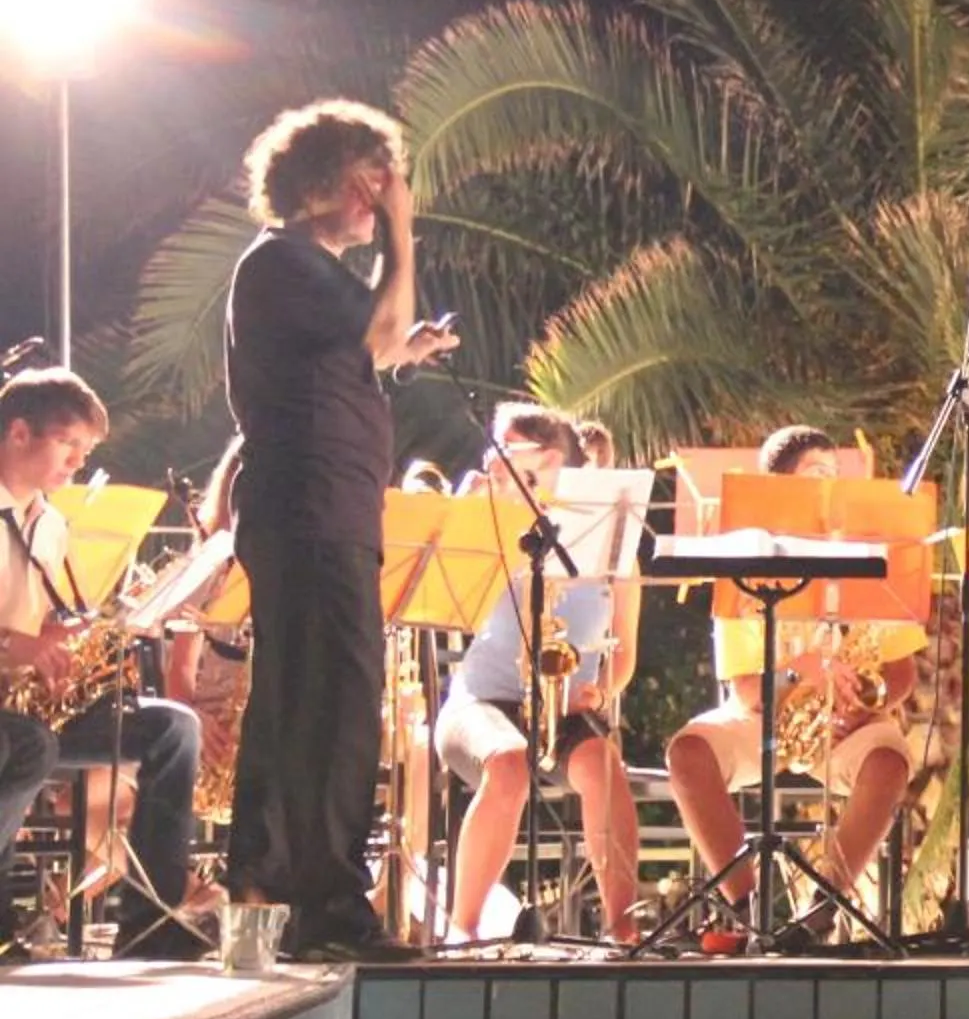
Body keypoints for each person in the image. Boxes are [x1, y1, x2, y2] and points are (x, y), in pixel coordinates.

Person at [221, 99, 460, 962]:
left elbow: (370, 344)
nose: (377, 197)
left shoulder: (299, 271)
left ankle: (272, 898)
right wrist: (402, 231)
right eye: (369, 182)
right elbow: (376, 327)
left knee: (305, 702)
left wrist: (403, 348)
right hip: (313, 509)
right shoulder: (285, 260)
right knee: (334, 708)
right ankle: (326, 911)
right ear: (324, 181)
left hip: (323, 509)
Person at [664, 425, 919, 941]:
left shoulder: (871, 556)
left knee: (889, 761)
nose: (827, 486)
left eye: (833, 474)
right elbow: (746, 691)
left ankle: (822, 908)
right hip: (764, 715)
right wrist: (801, 668)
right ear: (776, 488)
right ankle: (746, 906)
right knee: (687, 753)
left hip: (843, 725)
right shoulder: (739, 563)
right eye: (814, 475)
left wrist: (863, 709)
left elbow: (902, 675)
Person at [0, 370, 198, 959]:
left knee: (173, 729)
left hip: (28, 706)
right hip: (16, 723)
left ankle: (150, 924)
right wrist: (16, 645)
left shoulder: (51, 524)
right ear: (18, 433)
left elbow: (44, 622)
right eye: (68, 444)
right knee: (28, 745)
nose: (77, 464)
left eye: (85, 452)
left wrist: (78, 638)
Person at [430, 403, 644, 946]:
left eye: (515, 456)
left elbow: (623, 654)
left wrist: (600, 691)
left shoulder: (611, 543)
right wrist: (469, 514)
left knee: (605, 767)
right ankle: (463, 930)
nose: (498, 465)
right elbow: (443, 602)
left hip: (564, 702)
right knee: (508, 764)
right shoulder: (489, 525)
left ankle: (623, 930)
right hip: (481, 702)